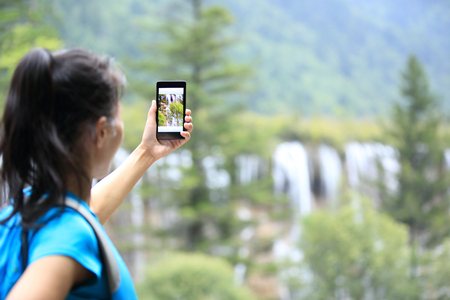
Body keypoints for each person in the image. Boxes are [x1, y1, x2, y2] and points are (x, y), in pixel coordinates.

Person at [0, 48, 193, 299]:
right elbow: (70, 234)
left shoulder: (22, 209)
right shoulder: (69, 240)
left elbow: (86, 211)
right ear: (101, 132)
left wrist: (147, 152)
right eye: (119, 114)